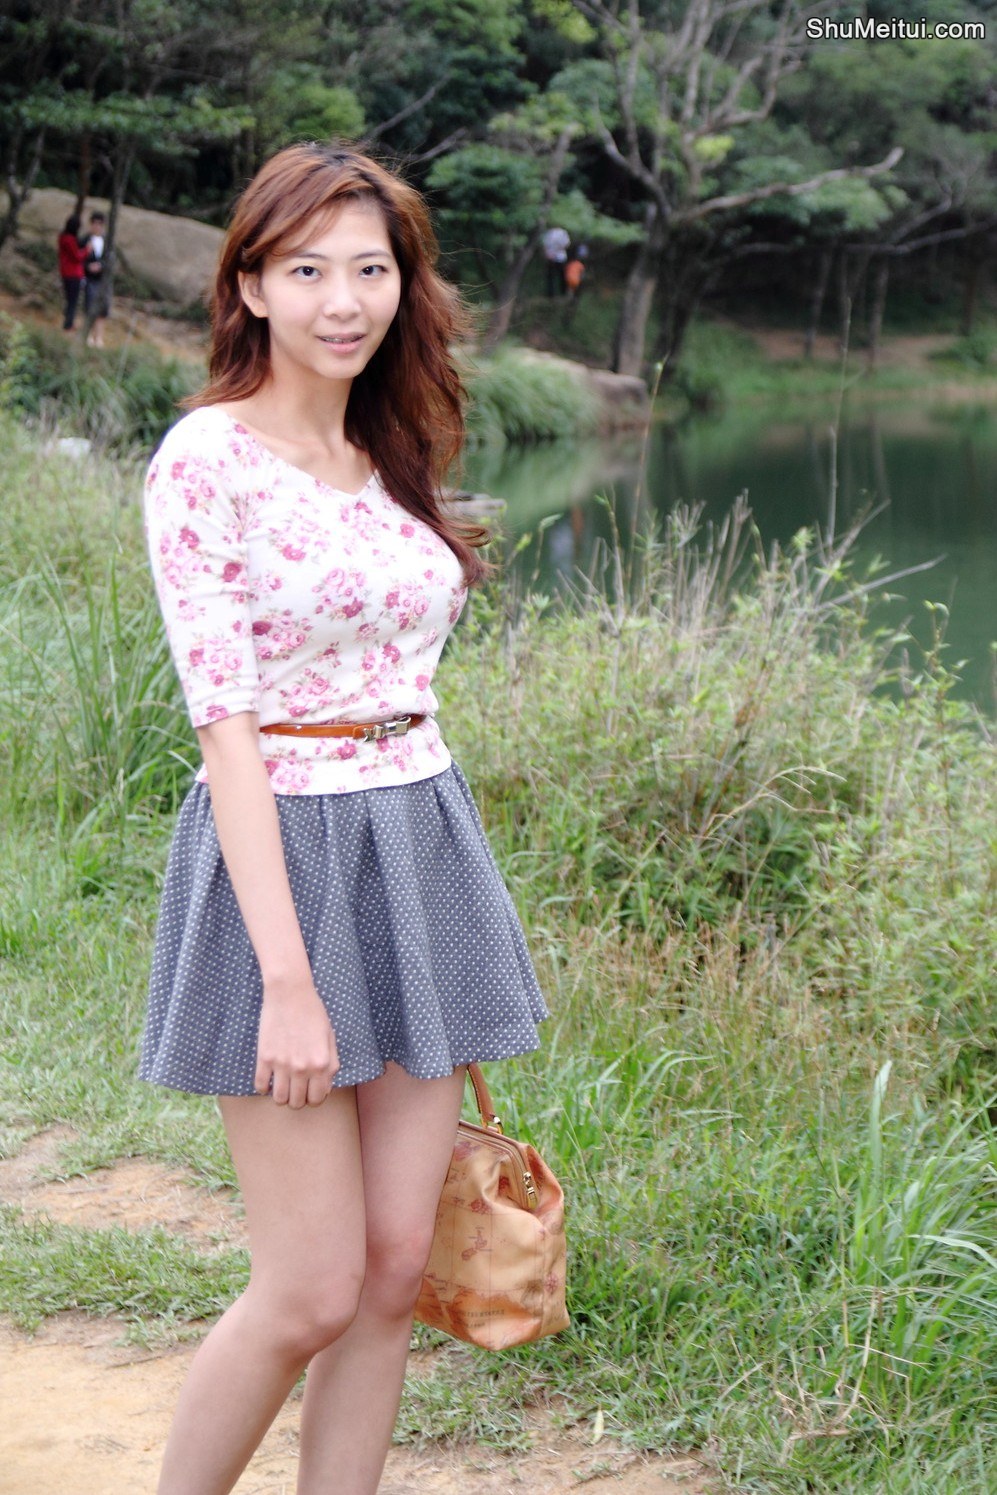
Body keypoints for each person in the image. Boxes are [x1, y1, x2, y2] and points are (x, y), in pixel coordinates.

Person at [141, 142, 548, 1495]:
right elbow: (226, 728)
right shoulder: (207, 458)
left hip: (417, 838)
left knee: (390, 1268)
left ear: (402, 284)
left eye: (369, 268)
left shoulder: (391, 445)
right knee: (309, 1284)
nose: (343, 299)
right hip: (282, 851)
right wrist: (287, 978)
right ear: (251, 285)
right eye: (307, 269)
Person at [83, 209, 110, 347]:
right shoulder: (84, 240)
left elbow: (111, 260)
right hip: (89, 278)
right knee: (89, 306)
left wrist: (102, 266)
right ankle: (87, 336)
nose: (97, 226)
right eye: (95, 223)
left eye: (100, 224)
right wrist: (88, 266)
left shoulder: (108, 242)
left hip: (103, 280)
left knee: (103, 309)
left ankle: (99, 338)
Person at [57, 213, 88, 332]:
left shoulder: (62, 237)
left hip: (65, 273)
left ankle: (68, 322)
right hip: (73, 274)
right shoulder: (70, 240)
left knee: (69, 299)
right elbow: (77, 257)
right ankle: (68, 324)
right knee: (73, 301)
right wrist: (87, 250)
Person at [541, 224, 569, 296]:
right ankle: (553, 293)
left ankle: (560, 292)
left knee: (559, 276)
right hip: (555, 258)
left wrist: (551, 253)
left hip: (557, 257)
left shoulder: (560, 232)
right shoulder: (552, 232)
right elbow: (566, 244)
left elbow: (565, 245)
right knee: (554, 276)